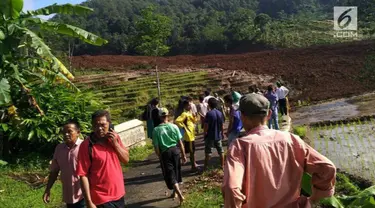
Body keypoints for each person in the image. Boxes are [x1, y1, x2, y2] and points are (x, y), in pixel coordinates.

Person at [222, 94, 336, 208]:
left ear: (242, 116)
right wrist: (316, 197)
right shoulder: (291, 140)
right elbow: (327, 168)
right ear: (269, 114)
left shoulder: (240, 146)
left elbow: (231, 188)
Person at [76, 110, 129, 208]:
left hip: (119, 194)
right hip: (101, 198)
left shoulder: (114, 138)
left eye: (103, 125)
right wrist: (88, 202)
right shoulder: (86, 146)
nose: (99, 128)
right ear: (92, 126)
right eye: (96, 125)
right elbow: (83, 175)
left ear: (109, 124)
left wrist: (115, 144)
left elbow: (126, 160)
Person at [43, 120, 85, 208]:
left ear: (78, 132)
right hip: (69, 195)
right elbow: (54, 171)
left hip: (84, 195)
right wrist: (48, 189)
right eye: (64, 132)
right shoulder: (59, 148)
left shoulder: (84, 146)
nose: (66, 134)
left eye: (69, 131)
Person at [152, 108, 187, 205]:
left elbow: (156, 147)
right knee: (175, 172)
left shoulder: (156, 130)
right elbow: (180, 142)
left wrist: (160, 156)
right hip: (175, 151)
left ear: (159, 117)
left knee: (170, 174)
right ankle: (174, 193)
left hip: (165, 153)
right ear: (168, 116)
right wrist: (183, 155)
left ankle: (179, 194)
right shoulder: (174, 127)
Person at [175, 100, 199, 170]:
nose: (190, 106)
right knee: (192, 151)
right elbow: (177, 121)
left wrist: (194, 117)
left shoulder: (190, 113)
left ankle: (194, 163)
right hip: (189, 135)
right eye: (188, 105)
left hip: (192, 134)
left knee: (193, 150)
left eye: (190, 105)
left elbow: (194, 121)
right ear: (185, 106)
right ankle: (193, 165)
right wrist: (184, 127)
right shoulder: (184, 114)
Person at [204, 98, 225, 170]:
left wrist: (205, 133)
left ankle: (206, 167)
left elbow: (206, 125)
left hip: (210, 136)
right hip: (218, 135)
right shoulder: (220, 113)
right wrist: (222, 133)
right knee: (221, 150)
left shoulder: (209, 114)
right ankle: (222, 165)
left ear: (209, 105)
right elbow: (222, 125)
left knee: (208, 151)